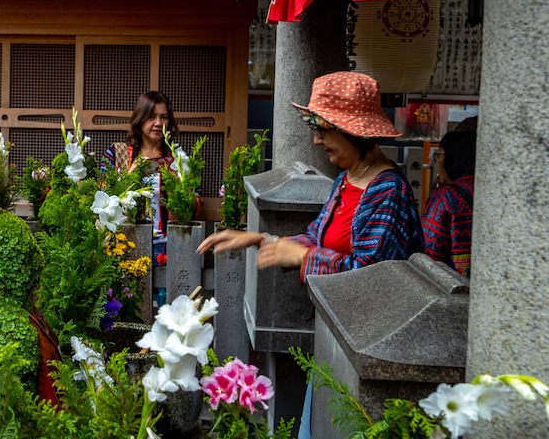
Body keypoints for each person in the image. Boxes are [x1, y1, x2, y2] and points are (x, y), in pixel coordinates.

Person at [196, 71, 420, 281]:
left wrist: (304, 258)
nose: (316, 141)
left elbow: (369, 276)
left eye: (323, 131)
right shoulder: (346, 178)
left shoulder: (388, 192)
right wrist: (263, 239)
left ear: (352, 132)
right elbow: (316, 238)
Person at [101, 91, 180, 277]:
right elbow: (103, 197)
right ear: (140, 118)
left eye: (163, 117)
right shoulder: (117, 154)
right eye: (151, 116)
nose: (158, 123)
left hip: (167, 246)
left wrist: (181, 188)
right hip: (125, 243)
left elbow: (194, 203)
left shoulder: (177, 159)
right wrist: (131, 173)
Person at [422, 125, 477, 277]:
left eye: (439, 155)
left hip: (455, 285)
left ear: (452, 159)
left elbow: (430, 255)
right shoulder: (494, 191)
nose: (438, 162)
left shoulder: (446, 196)